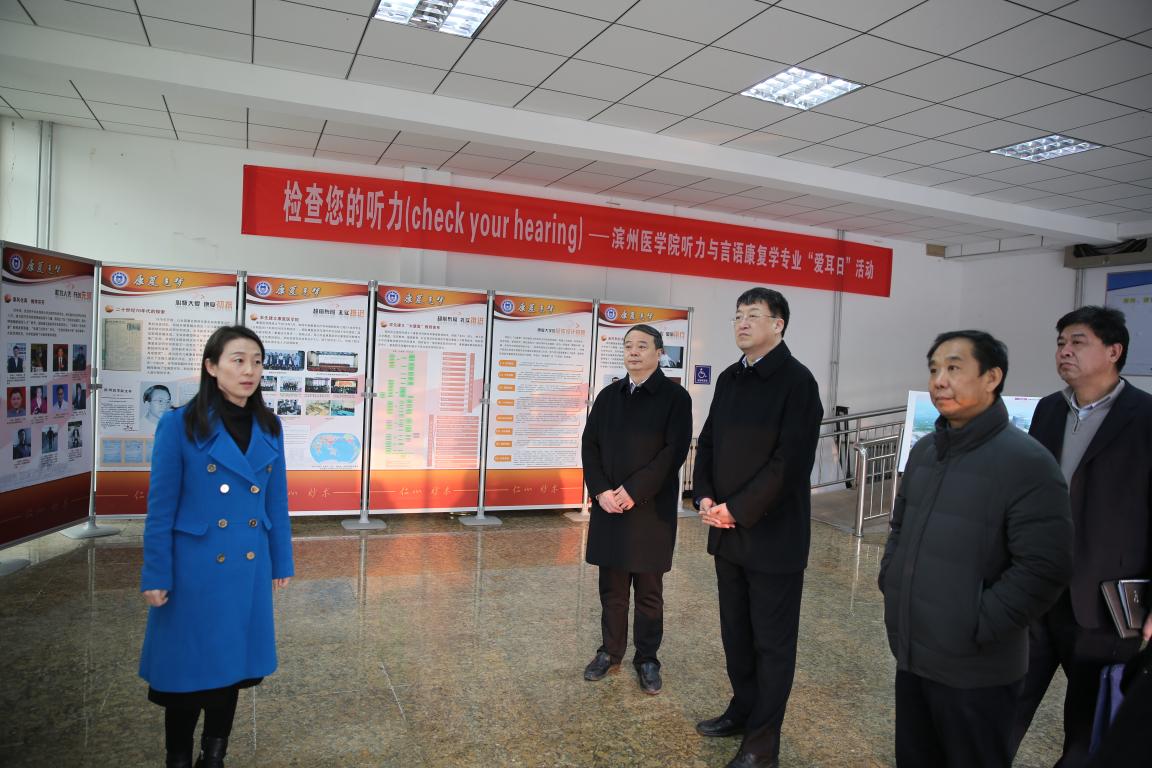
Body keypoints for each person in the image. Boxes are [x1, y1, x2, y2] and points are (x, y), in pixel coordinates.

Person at [880, 330, 1073, 768]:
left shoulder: (1027, 462)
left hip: (977, 673)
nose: (939, 381)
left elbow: (1045, 567)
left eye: (954, 368)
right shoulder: (926, 452)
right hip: (914, 656)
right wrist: (890, 578)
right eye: (934, 369)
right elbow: (899, 527)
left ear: (992, 377)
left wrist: (977, 625)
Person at [139, 325, 294, 768]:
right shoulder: (179, 425)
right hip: (194, 569)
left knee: (232, 667)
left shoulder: (269, 425)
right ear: (211, 366)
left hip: (247, 565)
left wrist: (281, 560)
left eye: (257, 362)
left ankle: (214, 755)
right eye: (238, 360)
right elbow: (161, 509)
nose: (250, 371)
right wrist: (156, 573)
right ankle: (178, 758)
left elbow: (276, 501)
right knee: (186, 674)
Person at [1011, 306, 1152, 768]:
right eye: (1060, 343)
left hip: (1106, 602)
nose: (1064, 351)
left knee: (1088, 726)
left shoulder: (1145, 418)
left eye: (1077, 342)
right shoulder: (1050, 410)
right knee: (1004, 703)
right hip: (1037, 590)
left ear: (1113, 351)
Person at [693, 287, 823, 768]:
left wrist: (738, 509)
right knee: (736, 635)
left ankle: (763, 741)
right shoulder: (730, 377)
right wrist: (705, 495)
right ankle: (743, 710)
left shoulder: (798, 382)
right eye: (737, 316)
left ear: (778, 324)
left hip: (773, 538)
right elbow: (708, 442)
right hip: (726, 531)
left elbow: (789, 464)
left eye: (753, 315)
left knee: (772, 643)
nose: (742, 323)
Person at [581, 324, 692, 695]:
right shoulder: (609, 396)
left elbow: (673, 453)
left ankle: (647, 658)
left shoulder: (675, 399)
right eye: (628, 345)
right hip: (609, 508)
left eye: (642, 346)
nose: (633, 352)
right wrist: (600, 491)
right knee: (611, 590)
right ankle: (609, 651)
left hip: (649, 512)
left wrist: (633, 490)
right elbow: (590, 446)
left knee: (648, 593)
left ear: (659, 353)